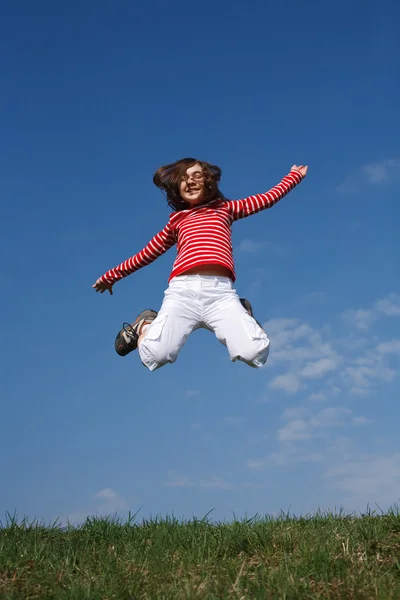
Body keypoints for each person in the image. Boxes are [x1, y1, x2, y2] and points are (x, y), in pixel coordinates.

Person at [92, 158, 307, 371]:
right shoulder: (177, 221)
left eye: (197, 176)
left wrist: (294, 176)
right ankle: (145, 324)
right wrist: (112, 276)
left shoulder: (226, 209)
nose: (191, 181)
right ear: (177, 188)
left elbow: (266, 199)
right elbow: (147, 253)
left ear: (209, 182)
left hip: (220, 294)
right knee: (155, 356)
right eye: (184, 179)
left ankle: (243, 314)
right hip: (182, 293)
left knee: (255, 354)